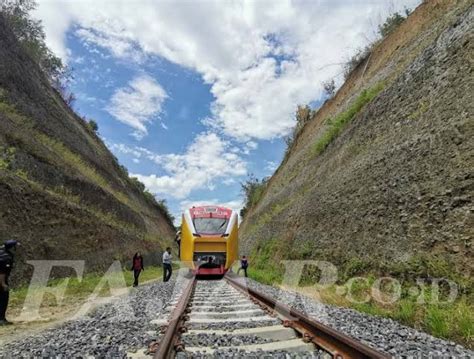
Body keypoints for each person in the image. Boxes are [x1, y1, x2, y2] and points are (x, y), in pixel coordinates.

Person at [0, 240, 19, 325]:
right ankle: (1, 319)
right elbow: (2, 272)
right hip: (1, 280)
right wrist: (3, 283)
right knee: (3, 298)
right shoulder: (6, 257)